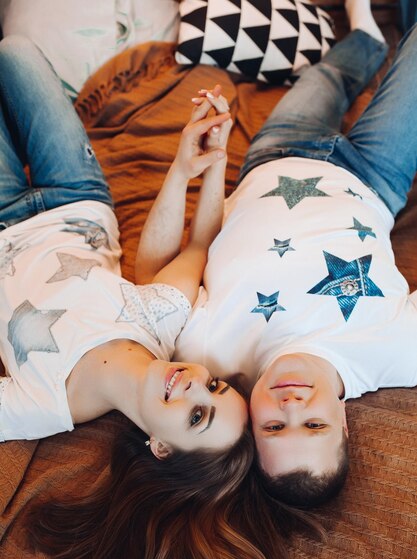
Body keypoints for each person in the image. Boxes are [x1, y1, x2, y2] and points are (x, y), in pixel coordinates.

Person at [175, 0, 417, 508]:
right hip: (373, 176)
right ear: (345, 423)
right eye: (312, 423)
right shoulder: (395, 354)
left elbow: (156, 278)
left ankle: (369, 39)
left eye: (273, 426)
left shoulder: (205, 356)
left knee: (328, 73)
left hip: (274, 154)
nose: (291, 403)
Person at [0, 36, 248, 456]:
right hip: (76, 195)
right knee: (16, 51)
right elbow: (199, 245)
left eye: (196, 416)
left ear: (162, 447)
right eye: (213, 386)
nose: (194, 386)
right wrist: (203, 160)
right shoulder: (160, 324)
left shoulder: (45, 405)